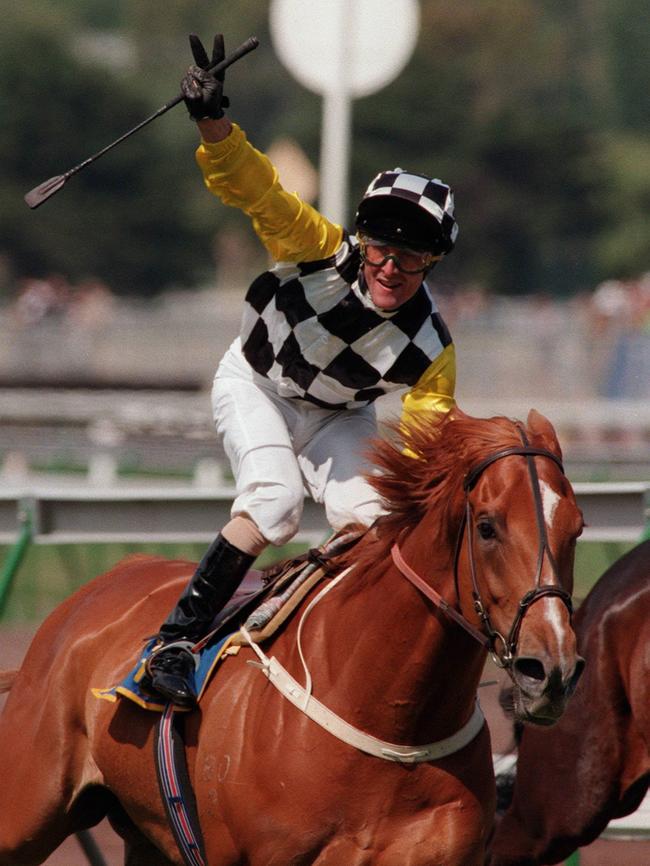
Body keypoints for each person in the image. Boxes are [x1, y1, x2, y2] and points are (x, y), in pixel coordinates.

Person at [146, 33, 459, 707]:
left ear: (433, 262)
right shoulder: (315, 247)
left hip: (338, 416)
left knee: (377, 523)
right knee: (274, 502)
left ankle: (355, 654)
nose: (391, 267)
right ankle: (171, 643)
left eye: (413, 256)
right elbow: (257, 188)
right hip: (256, 384)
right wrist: (212, 123)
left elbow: (428, 448)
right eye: (382, 246)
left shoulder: (431, 346)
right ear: (361, 238)